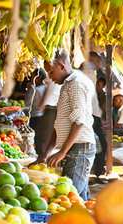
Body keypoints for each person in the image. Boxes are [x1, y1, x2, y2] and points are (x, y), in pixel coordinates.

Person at [37, 50, 96, 201]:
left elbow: (79, 121)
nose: (49, 77)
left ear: (62, 67)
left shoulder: (76, 84)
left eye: (51, 72)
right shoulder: (67, 83)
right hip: (75, 149)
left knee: (68, 199)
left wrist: (62, 152)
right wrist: (45, 154)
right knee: (77, 199)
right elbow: (61, 125)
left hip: (79, 150)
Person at [79, 62, 107, 183]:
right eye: (91, 71)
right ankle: (88, 175)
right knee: (89, 146)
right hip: (89, 118)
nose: (93, 74)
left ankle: (97, 174)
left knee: (102, 146)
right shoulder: (81, 82)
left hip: (96, 118)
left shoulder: (89, 83)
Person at [24, 68, 51, 156]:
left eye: (32, 77)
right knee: (42, 142)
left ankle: (39, 160)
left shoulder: (35, 89)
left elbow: (27, 103)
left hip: (35, 118)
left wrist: (30, 90)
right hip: (46, 117)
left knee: (35, 142)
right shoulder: (47, 87)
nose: (30, 79)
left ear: (37, 77)